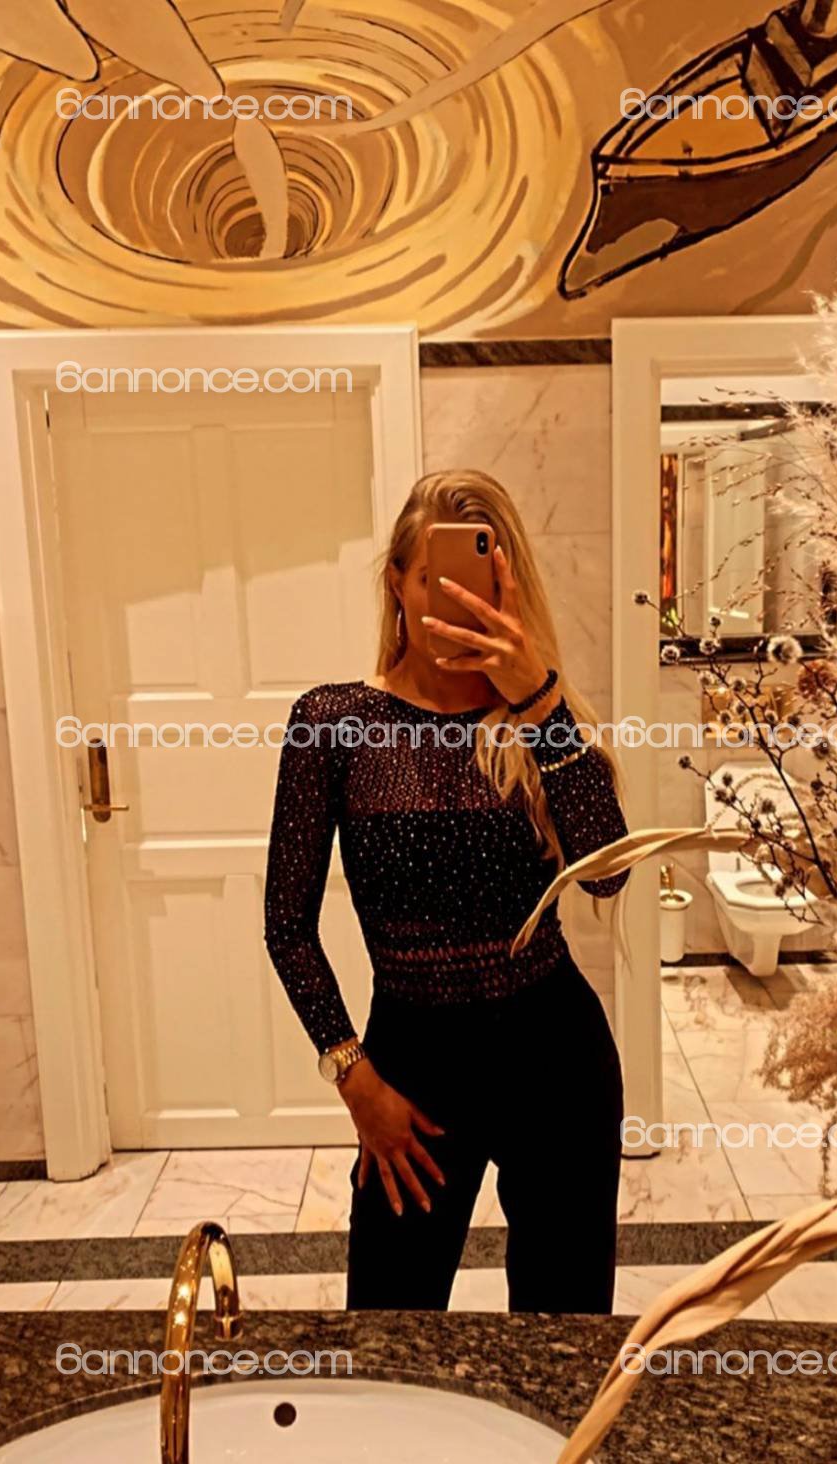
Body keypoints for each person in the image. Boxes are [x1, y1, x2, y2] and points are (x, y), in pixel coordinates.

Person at [264, 469, 631, 1312]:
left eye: (479, 580)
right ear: (397, 581)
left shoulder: (542, 718)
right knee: (388, 1327)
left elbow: (609, 872)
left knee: (564, 1330)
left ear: (507, 588)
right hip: (410, 1070)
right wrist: (355, 1080)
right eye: (433, 577)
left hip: (557, 1059)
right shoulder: (334, 725)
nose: (452, 601)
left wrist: (539, 700)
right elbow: (287, 925)